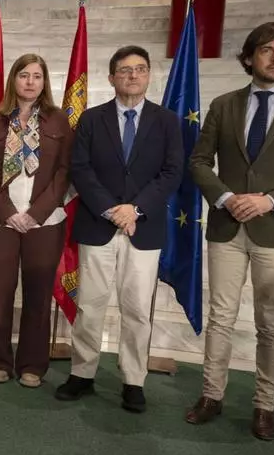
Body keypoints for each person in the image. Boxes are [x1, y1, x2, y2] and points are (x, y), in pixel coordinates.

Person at [54, 45, 183, 413]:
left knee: (138, 309)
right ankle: (82, 373)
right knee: (90, 305)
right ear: (111, 77)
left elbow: (172, 171)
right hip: (99, 223)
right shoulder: (91, 119)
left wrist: (135, 209)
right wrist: (112, 210)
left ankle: (133, 380)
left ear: (149, 76)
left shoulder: (167, 121)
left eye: (140, 69)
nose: (132, 76)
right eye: (125, 70)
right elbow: (80, 169)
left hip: (143, 229)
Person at [186, 21, 274, 441]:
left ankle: (265, 405)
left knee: (272, 323)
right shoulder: (224, 104)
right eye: (267, 50)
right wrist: (226, 197)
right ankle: (212, 395)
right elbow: (199, 161)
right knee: (220, 317)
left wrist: (269, 200)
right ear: (249, 57)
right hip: (227, 227)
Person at [0, 53, 73, 388]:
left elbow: (64, 172)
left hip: (44, 221)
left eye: (37, 76)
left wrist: (35, 214)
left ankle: (32, 364)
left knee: (38, 294)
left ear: (44, 82)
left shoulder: (59, 121)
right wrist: (7, 212)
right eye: (24, 75)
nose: (30, 82)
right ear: (13, 79)